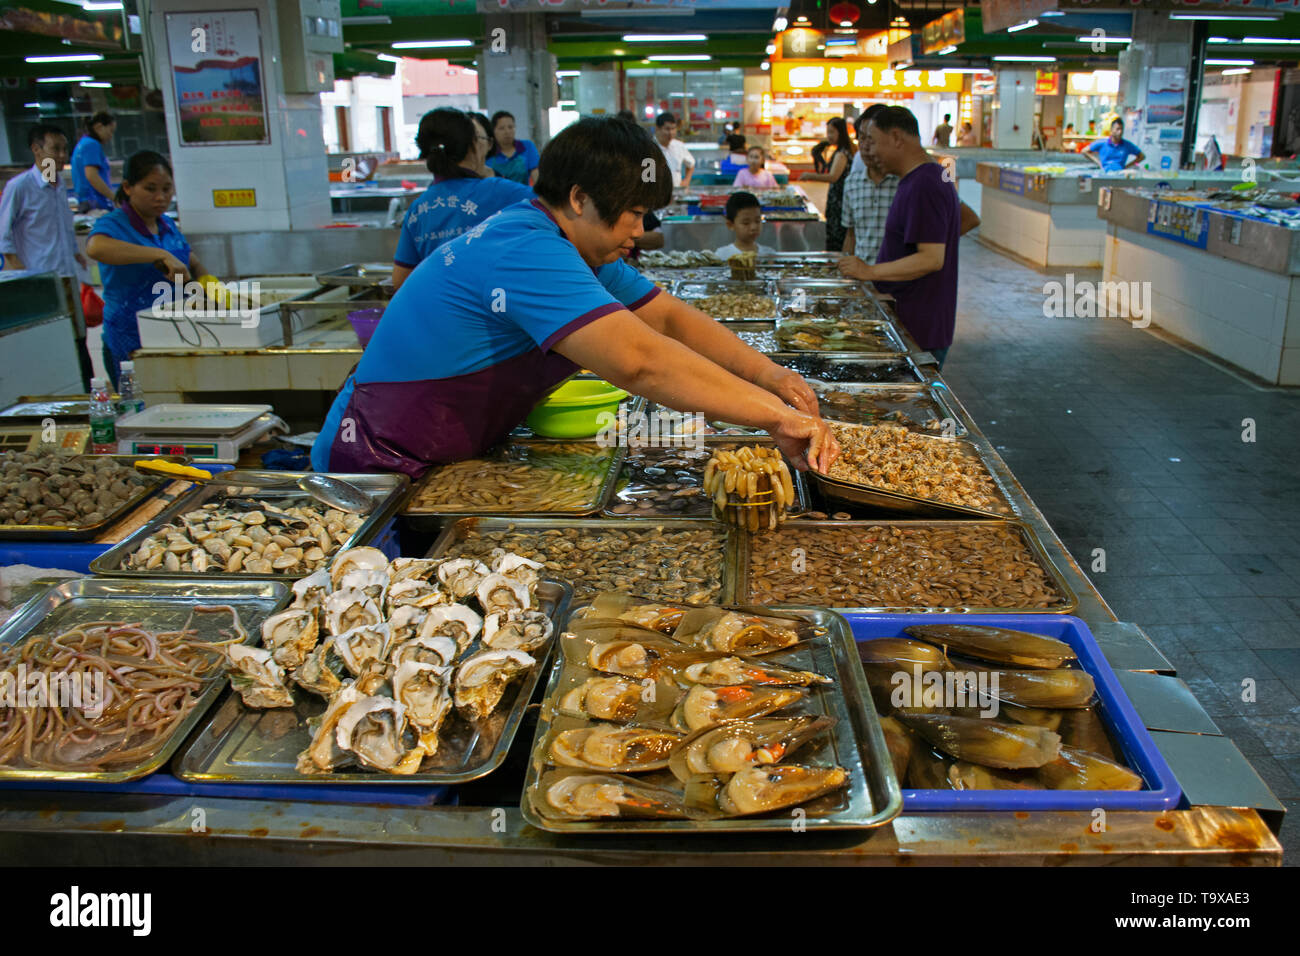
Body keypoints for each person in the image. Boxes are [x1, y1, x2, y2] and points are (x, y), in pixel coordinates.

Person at [310, 117, 837, 477]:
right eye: (632, 212)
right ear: (580, 199)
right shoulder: (526, 250)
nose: (639, 229)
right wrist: (773, 417)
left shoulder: (581, 250)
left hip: (441, 451)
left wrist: (772, 377)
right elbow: (640, 363)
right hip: (377, 459)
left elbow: (670, 320)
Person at [837, 107, 961, 368]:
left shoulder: (925, 183)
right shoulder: (916, 180)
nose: (870, 151)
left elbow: (931, 259)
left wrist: (869, 271)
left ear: (896, 137)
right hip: (910, 318)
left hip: (920, 325)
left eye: (874, 141)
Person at [86, 151, 219, 387]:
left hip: (178, 333)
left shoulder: (166, 224)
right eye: (150, 188)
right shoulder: (114, 224)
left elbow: (193, 262)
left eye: (167, 189)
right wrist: (159, 254)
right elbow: (95, 248)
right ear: (128, 187)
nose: (161, 197)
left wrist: (213, 290)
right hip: (131, 339)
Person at [391, 109, 533, 290]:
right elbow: (558, 209)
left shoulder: (418, 209)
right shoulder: (499, 191)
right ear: (472, 146)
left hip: (439, 313)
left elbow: (401, 281)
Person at [0, 123, 94, 388]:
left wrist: (76, 256)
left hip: (66, 275)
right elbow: (3, 236)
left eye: (65, 149)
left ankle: (84, 391)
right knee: (51, 340)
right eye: (56, 149)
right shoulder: (20, 187)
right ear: (36, 149)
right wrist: (22, 274)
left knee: (78, 337)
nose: (62, 155)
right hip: (40, 280)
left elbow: (63, 227)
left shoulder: (59, 186)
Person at [840, 106, 899, 262]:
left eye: (871, 139)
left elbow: (968, 219)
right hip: (863, 280)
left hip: (898, 280)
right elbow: (851, 234)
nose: (865, 146)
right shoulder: (852, 183)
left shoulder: (908, 181)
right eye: (861, 138)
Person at [801, 117, 853, 253]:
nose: (828, 136)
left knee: (836, 236)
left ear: (840, 133)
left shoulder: (842, 154)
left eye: (831, 132)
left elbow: (833, 177)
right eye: (827, 132)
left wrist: (809, 176)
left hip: (839, 201)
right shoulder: (844, 150)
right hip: (840, 199)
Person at [71, 111, 115, 212]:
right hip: (94, 203)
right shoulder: (92, 144)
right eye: (111, 131)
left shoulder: (83, 143)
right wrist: (114, 198)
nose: (111, 136)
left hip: (87, 201)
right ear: (99, 127)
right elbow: (92, 176)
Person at [485, 111, 540, 185]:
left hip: (524, 195)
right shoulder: (488, 153)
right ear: (493, 131)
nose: (507, 131)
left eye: (510, 127)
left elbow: (536, 175)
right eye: (501, 128)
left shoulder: (527, 146)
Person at [715, 191, 776, 259]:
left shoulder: (769, 254)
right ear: (730, 225)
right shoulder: (722, 255)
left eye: (757, 221)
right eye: (746, 223)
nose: (754, 227)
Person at [654, 112, 695, 189]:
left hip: (677, 192)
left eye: (673, 129)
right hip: (658, 194)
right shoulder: (650, 148)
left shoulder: (679, 146)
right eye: (667, 129)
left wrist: (686, 181)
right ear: (657, 128)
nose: (671, 133)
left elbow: (691, 165)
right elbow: (646, 179)